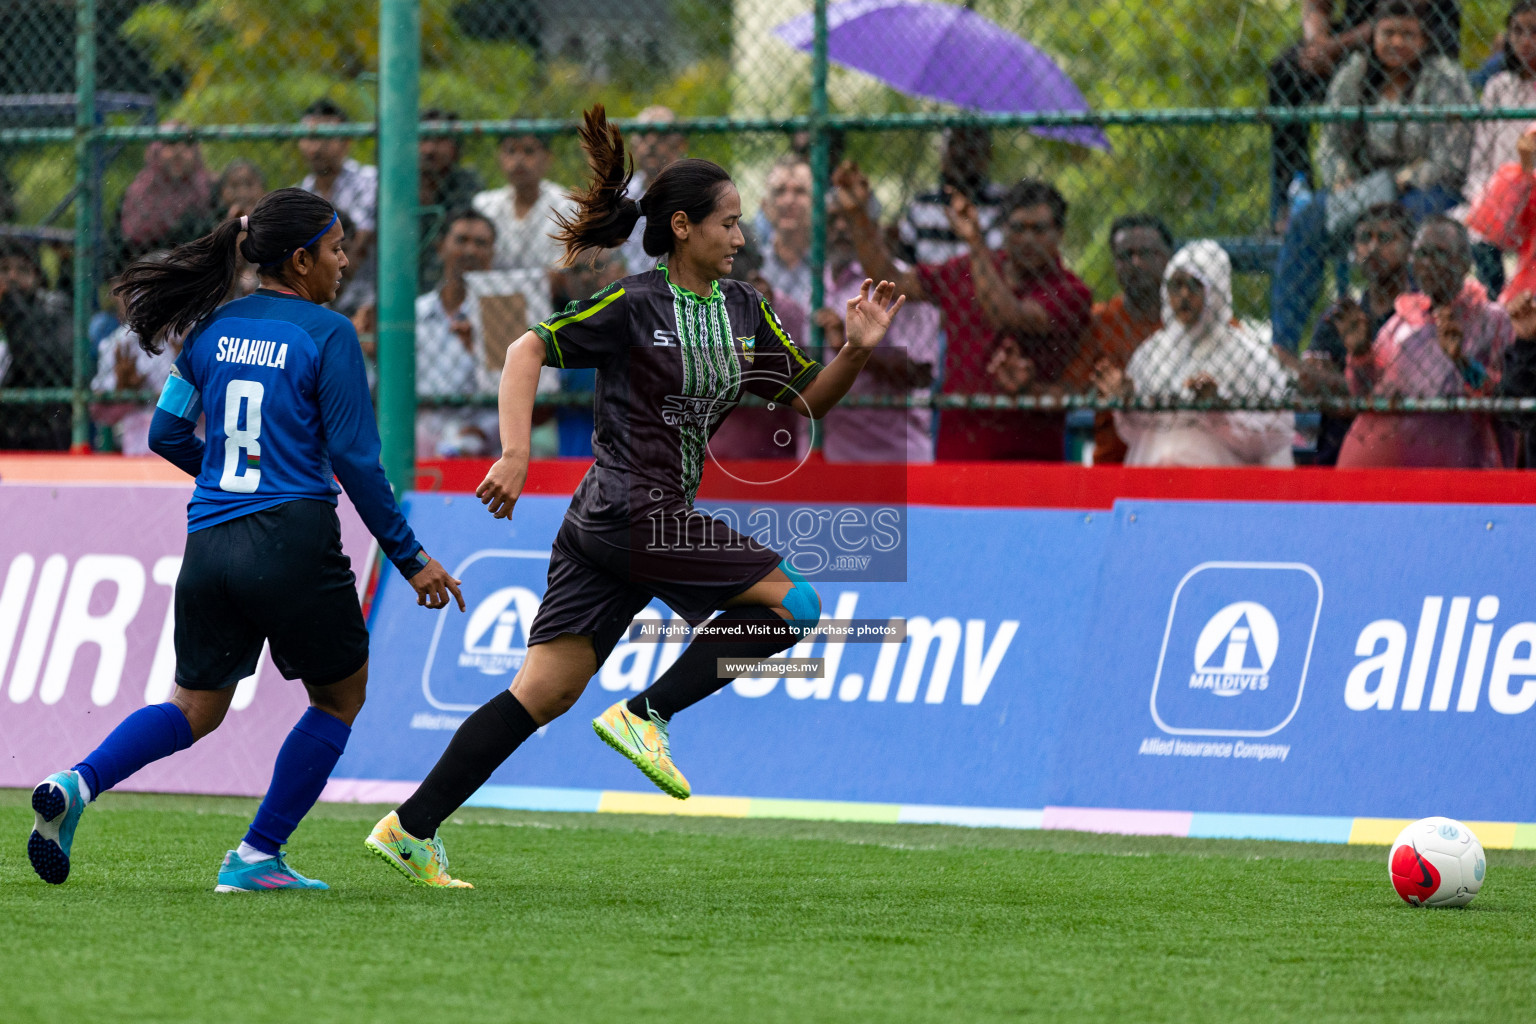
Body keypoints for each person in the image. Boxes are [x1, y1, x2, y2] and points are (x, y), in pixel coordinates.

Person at [363, 105, 904, 888]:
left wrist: (855, 349)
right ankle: (646, 715)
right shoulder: (633, 304)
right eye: (728, 223)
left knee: (542, 693)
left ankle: (410, 829)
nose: (741, 238)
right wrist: (516, 453)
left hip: (611, 525)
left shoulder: (747, 311)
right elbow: (524, 348)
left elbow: (804, 404)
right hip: (630, 510)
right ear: (682, 226)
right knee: (801, 606)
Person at [26, 187, 465, 892]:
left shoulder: (210, 330)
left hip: (209, 542)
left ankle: (76, 783)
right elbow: (356, 462)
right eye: (336, 247)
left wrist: (231, 477)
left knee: (191, 706)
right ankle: (258, 854)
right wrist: (411, 558)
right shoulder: (329, 335)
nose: (345, 262)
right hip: (291, 537)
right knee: (338, 698)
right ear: (299, 259)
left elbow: (167, 434)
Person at [835, 163, 1091, 460]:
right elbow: (890, 277)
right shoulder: (966, 268)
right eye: (1018, 228)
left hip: (1030, 459)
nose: (1028, 239)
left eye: (1039, 229)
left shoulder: (1071, 291)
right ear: (1005, 229)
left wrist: (974, 241)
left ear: (1059, 233)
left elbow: (1008, 314)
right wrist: (858, 215)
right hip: (958, 451)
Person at [1270, 0, 1473, 355]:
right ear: (1374, 36)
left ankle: (1412, 342)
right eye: (1388, 33)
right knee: (1308, 220)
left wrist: (1406, 179)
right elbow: (1330, 145)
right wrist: (1341, 177)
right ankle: (1283, 347)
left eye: (1407, 34)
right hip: (1364, 190)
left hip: (1421, 188)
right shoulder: (1356, 73)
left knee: (1420, 225)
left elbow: (1452, 159)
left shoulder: (1445, 77)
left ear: (1424, 39)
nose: (1396, 42)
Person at [1098, 241, 1295, 468]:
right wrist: (1127, 402)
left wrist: (1218, 409)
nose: (1183, 295)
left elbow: (1274, 437)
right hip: (1156, 481)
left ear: (1216, 289)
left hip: (1220, 489)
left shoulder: (1247, 354)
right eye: (1176, 285)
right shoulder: (1152, 353)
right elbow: (1134, 435)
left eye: (1194, 285)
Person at [1266, 0, 1461, 228]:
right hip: (1361, 34)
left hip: (1420, 21)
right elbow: (1317, 4)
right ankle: (1294, 191)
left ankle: (1408, 178)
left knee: (1403, 32)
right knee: (1286, 73)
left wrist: (1335, 47)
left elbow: (1399, 10)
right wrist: (1316, 44)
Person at [1336, 217, 1513, 467]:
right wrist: (1361, 354)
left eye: (1439, 254)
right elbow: (1364, 394)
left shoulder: (1490, 319)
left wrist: (1463, 363)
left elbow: (1506, 399)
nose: (1427, 263)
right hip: (1382, 464)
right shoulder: (1400, 321)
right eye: (1421, 254)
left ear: (1464, 263)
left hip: (1455, 467)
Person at [816, 195, 942, 463]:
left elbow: (920, 374)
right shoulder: (812, 283)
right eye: (831, 220)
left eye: (849, 219)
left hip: (895, 455)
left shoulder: (900, 284)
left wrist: (855, 351)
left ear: (871, 226)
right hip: (830, 455)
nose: (840, 227)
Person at [1303, 203, 1415, 464]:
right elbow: (1310, 381)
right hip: (1336, 456)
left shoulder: (1421, 315)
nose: (1373, 248)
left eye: (1385, 238)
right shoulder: (1340, 316)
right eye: (1365, 238)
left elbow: (1412, 392)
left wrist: (1341, 385)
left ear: (1408, 247)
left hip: (1403, 456)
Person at [1060, 214, 1173, 464]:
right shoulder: (1100, 321)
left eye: (1146, 253)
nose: (1136, 263)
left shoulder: (1195, 321)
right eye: (1125, 256)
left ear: (1168, 258)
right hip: (1113, 461)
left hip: (1177, 461)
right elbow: (1070, 388)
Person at [1459, 2, 1536, 295]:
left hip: (1533, 200)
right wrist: (1484, 199)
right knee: (1472, 233)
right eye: (1517, 31)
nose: (1526, 41)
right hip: (1497, 198)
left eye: (1534, 31)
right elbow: (1481, 157)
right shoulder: (1498, 87)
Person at [416, 209, 499, 458]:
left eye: (481, 243)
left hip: (484, 447)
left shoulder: (502, 315)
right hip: (418, 442)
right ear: (441, 247)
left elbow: (526, 397)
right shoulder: (415, 314)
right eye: (461, 240)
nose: (470, 251)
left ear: (492, 254)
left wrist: (479, 348)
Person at [107, 125, 218, 277]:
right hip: (142, 277)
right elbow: (118, 248)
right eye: (170, 144)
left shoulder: (209, 191)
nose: (178, 152)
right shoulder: (136, 195)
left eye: (186, 144)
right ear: (156, 150)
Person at [896, 126, 1005, 266]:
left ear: (988, 153)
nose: (960, 152)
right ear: (941, 152)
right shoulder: (922, 202)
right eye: (953, 143)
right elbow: (905, 261)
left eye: (970, 145)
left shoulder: (1002, 202)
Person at [471, 130, 577, 275]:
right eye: (511, 151)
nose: (519, 159)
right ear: (500, 158)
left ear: (547, 158)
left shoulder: (567, 206)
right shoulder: (484, 205)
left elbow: (565, 274)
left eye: (529, 151)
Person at [0, 237, 72, 449]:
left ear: (37, 277)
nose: (11, 277)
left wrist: (11, 305)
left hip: (37, 426)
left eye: (22, 270)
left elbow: (37, 365)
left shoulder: (52, 307)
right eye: (4, 269)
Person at [296, 98, 377, 278]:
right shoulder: (299, 194)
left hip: (365, 292)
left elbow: (359, 243)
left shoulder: (370, 181)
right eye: (309, 138)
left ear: (346, 142)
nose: (316, 148)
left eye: (325, 138)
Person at [417, 109, 485, 291]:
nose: (429, 149)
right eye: (424, 140)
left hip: (451, 280)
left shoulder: (467, 184)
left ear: (455, 148)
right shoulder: (399, 188)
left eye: (439, 140)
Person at [619, 105, 687, 274]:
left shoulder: (696, 192)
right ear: (634, 146)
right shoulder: (620, 195)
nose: (650, 144)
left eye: (660, 135)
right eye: (643, 136)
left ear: (679, 145)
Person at [757, 154, 814, 313]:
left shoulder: (829, 266)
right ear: (765, 205)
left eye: (800, 191)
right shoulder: (755, 265)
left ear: (816, 203)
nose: (789, 200)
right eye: (780, 191)